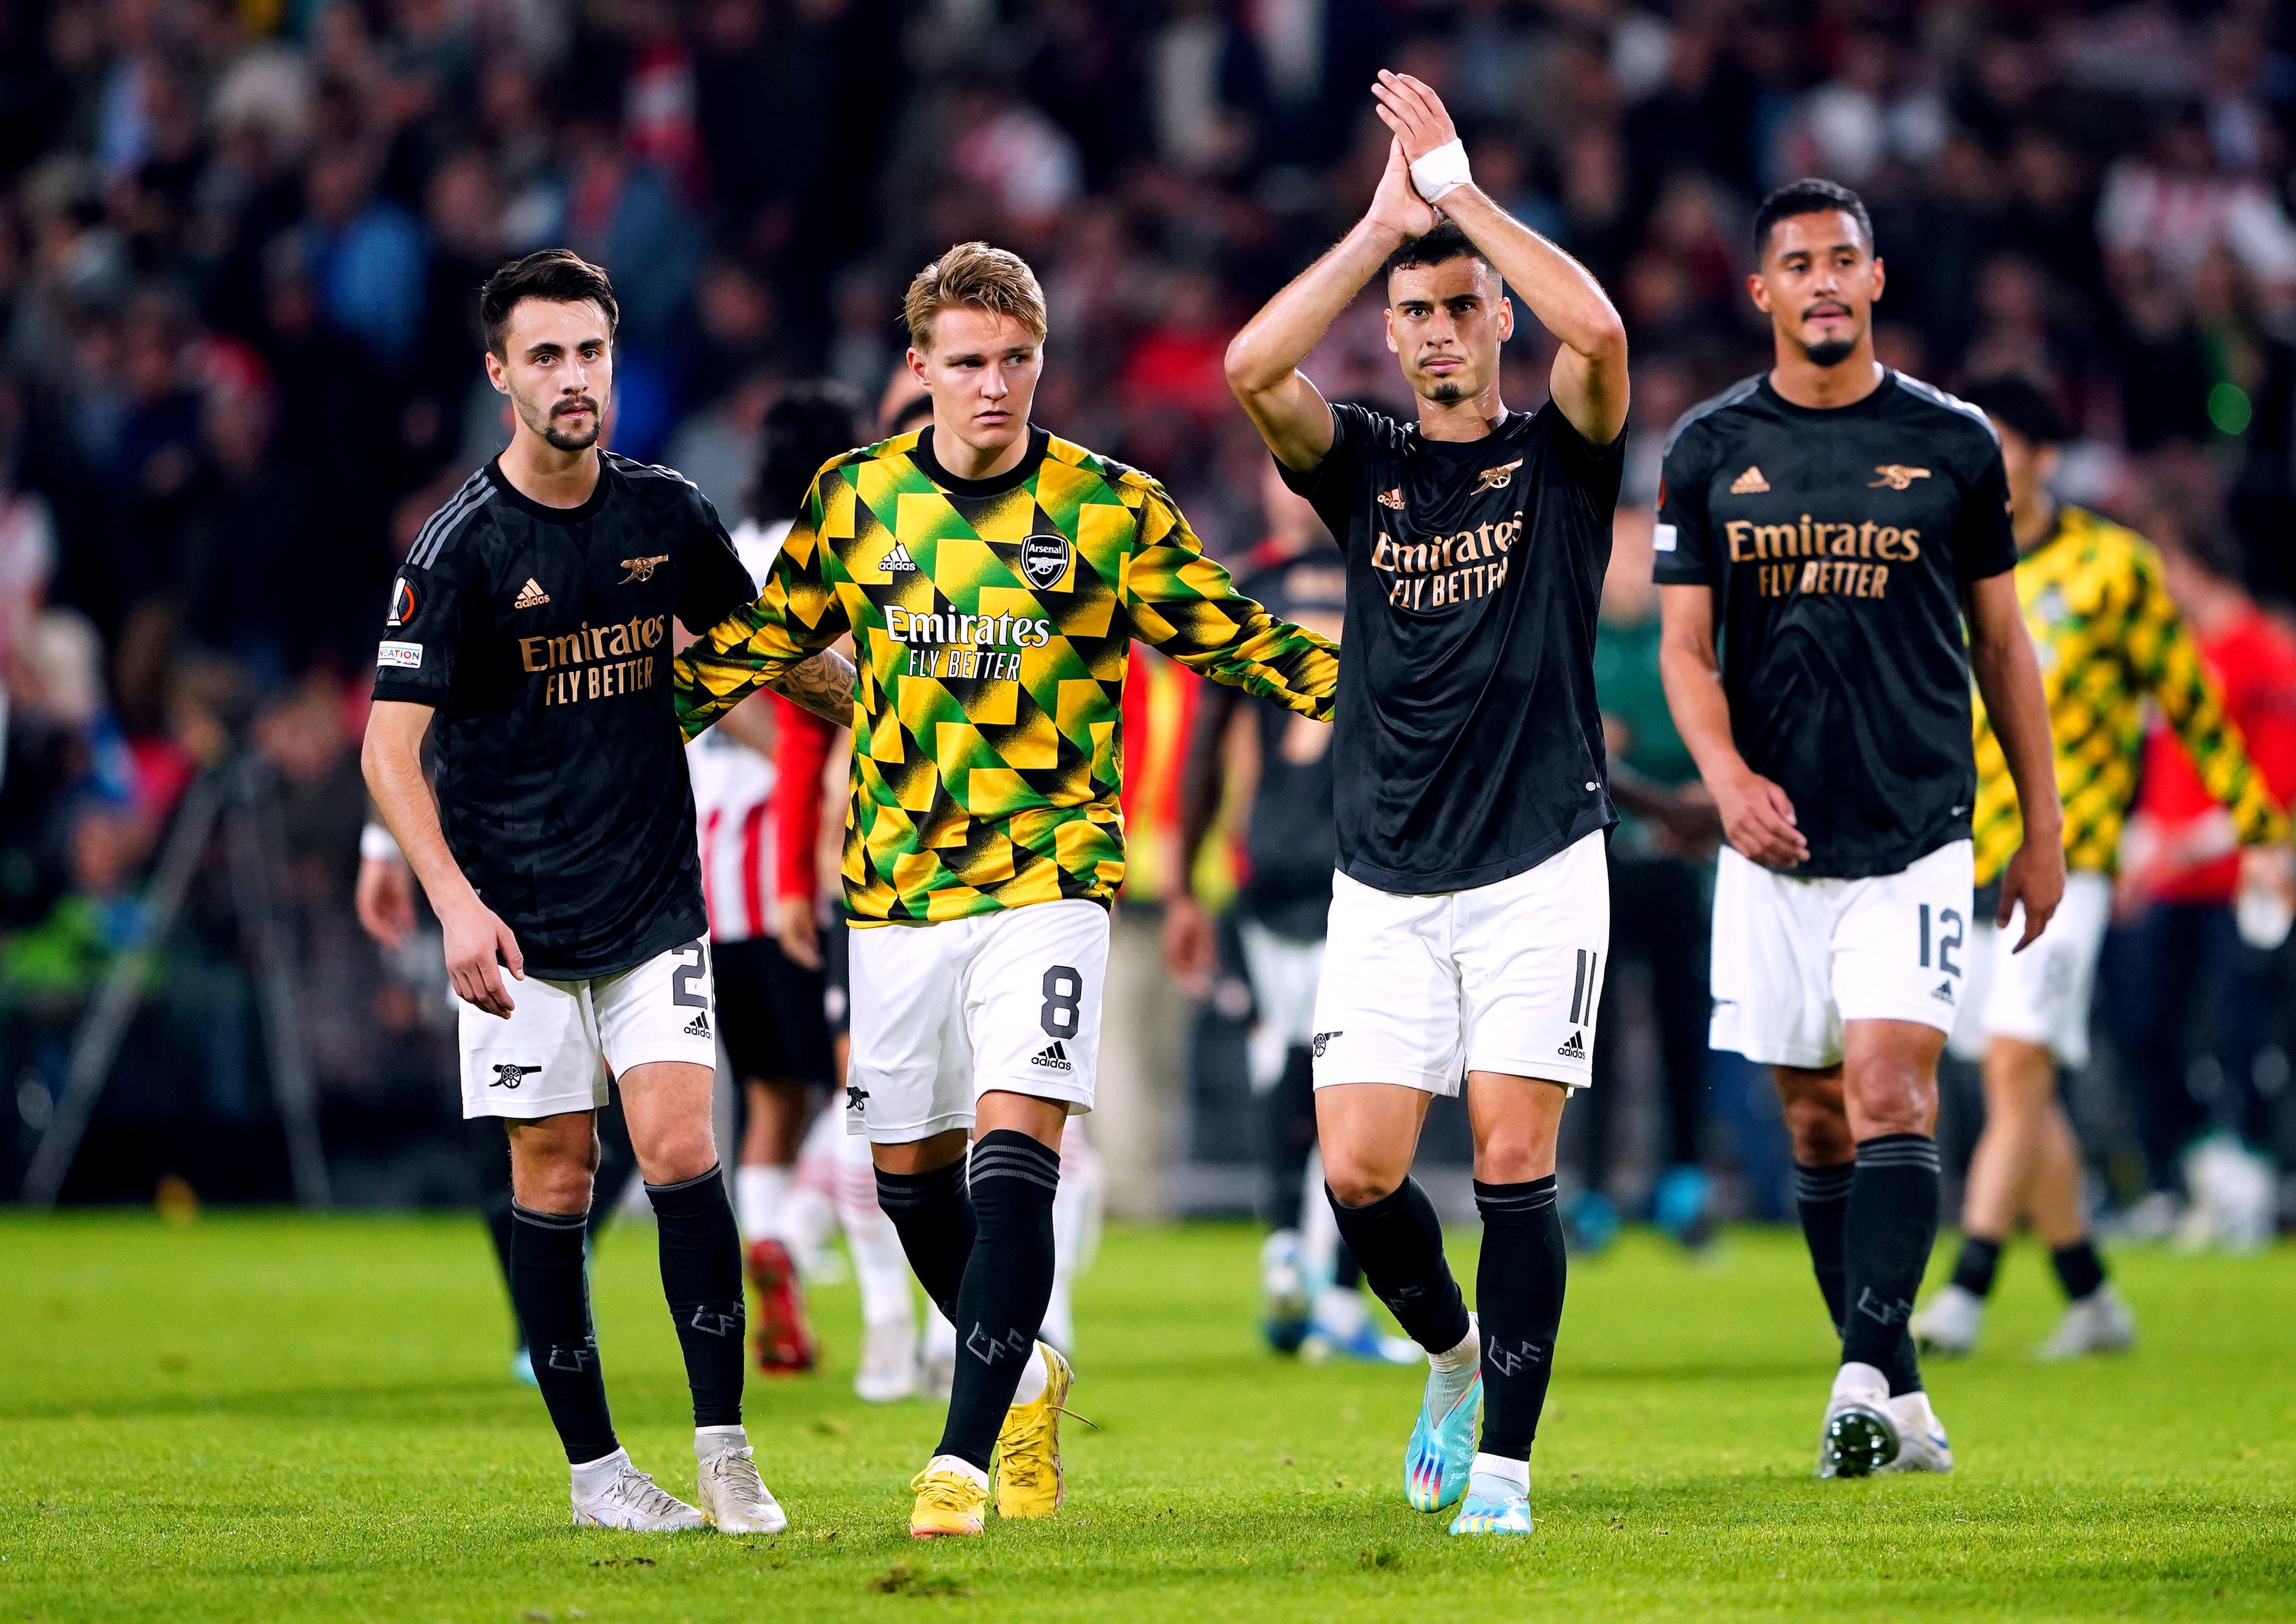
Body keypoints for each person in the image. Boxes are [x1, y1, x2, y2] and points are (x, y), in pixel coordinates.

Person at [674, 241, 1340, 1539]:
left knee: (1012, 1160)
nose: (993, 387)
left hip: (1049, 876)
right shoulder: (856, 498)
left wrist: (1394, 694)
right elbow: (763, 643)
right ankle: (1023, 1363)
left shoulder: (1106, 507)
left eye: (1016, 362)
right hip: (899, 885)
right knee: (908, 1178)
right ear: (918, 368)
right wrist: (619, 719)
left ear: (1044, 360)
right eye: (967, 364)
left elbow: (1234, 638)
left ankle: (961, 1457)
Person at [359, 249, 846, 1532]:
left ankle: (728, 1449)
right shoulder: (458, 549)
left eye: (592, 352)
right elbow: (386, 749)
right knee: (558, 1175)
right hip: (515, 925)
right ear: (499, 374)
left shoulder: (666, 513)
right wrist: (455, 904)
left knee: (685, 1146)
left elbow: (762, 668)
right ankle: (597, 1477)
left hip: (651, 903)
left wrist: (894, 715)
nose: (575, 379)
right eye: (547, 356)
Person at [1225, 70, 1630, 1537]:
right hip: (1385, 870)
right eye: (1417, 312)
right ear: (1389, 335)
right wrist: (1377, 225)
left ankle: (1508, 1477)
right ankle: (1454, 1359)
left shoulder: (1559, 456)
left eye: (1462, 307)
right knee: (1358, 1168)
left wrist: (1458, 199)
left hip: (1536, 857)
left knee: (1514, 1158)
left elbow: (1599, 331)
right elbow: (1252, 368)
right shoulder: (1372, 468)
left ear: (1493, 321)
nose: (1442, 330)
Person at [1654, 180, 2065, 1478]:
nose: (1822, 281)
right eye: (1797, 263)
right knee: (1812, 1121)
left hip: (1916, 828)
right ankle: (1897, 1390)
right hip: (1771, 843)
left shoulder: (1952, 443)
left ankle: (1853, 1373)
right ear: (1759, 289)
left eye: (1843, 260)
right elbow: (1681, 646)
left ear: (1876, 281)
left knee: (1889, 1087)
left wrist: (2039, 827)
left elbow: (2002, 643)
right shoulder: (1708, 446)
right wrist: (1721, 776)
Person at [1912, 377, 2289, 1358]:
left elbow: (2193, 705)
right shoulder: (1947, 563)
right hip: (1958, 857)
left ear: (2044, 457)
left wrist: (2261, 828)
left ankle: (1967, 1288)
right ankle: (2090, 1294)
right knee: (2012, 1083)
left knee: (2016, 1062)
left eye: (2004, 447)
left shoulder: (2113, 570)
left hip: (2066, 860)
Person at [1164, 456, 1408, 1364]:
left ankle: (1281, 1244)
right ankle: (1338, 1302)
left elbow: (1203, 753)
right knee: (1364, 1079)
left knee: (1286, 1059)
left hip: (1268, 860)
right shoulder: (1396, 581)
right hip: (1371, 859)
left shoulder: (1251, 591)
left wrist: (1189, 880)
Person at [690, 383, 860, 1377]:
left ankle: (773, 1250)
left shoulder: (733, 544)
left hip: (715, 856)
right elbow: (755, 698)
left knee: (769, 1092)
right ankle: (791, 1234)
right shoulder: (818, 551)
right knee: (854, 1072)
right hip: (787, 848)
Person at [354, 817, 640, 1387]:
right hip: (500, 896)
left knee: (638, 1129)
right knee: (502, 1140)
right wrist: (383, 845)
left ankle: (563, 1251)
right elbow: (396, 739)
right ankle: (534, 1325)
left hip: (623, 886)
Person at [2107, 517, 2296, 1248]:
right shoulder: (2169, 654)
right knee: (2140, 1026)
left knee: (2240, 1035)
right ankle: (2187, 1170)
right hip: (2166, 882)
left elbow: (2277, 778)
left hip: (2234, 879)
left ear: (2189, 562)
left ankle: (2249, 1177)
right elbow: (2159, 773)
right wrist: (2144, 846)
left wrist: (2201, 840)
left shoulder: (2259, 651)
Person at [1580, 508, 1723, 1253]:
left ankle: (1684, 1183)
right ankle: (1592, 1190)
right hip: (1601, 867)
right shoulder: (1581, 638)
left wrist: (1631, 749)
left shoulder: (1686, 643)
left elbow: (1690, 738)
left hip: (1677, 865)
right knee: (1589, 1038)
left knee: (1681, 1030)